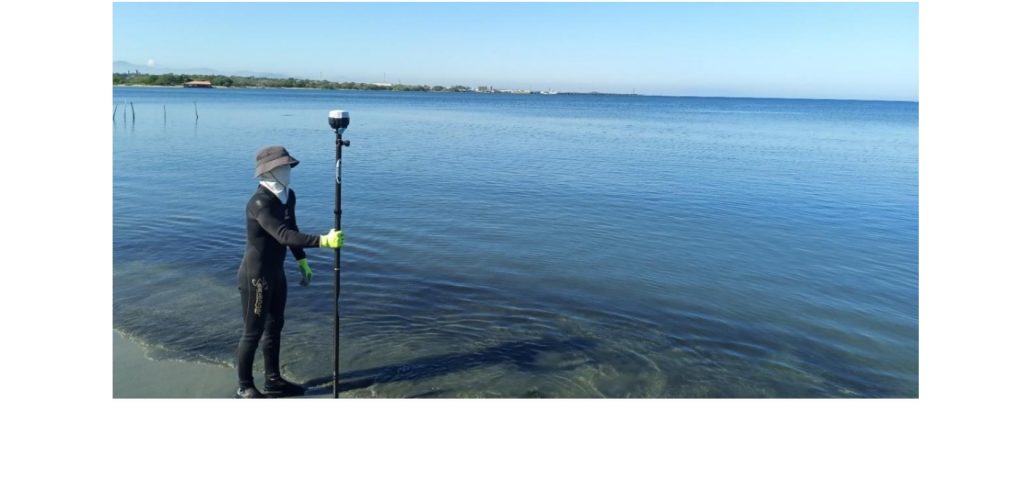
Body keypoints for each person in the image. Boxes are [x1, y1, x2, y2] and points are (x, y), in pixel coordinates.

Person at [236, 145, 344, 398]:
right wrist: (324, 241)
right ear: (270, 171)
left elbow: (292, 227)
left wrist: (301, 261)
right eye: (283, 167)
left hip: (276, 273)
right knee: (253, 332)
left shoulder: (288, 196)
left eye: (288, 166)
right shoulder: (259, 203)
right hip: (256, 278)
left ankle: (273, 380)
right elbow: (283, 235)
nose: (288, 171)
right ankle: (245, 386)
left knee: (275, 327)